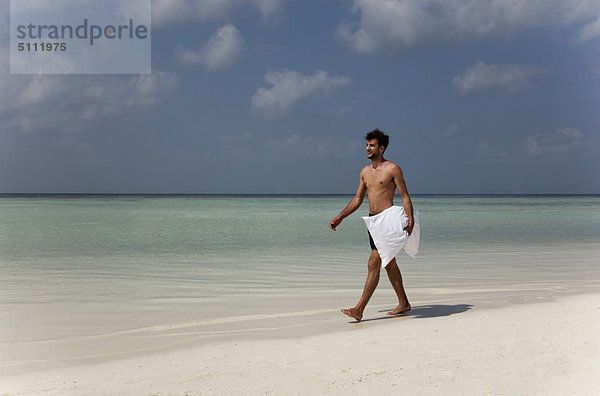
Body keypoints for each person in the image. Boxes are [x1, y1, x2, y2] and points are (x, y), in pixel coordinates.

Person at [329, 129, 415, 321]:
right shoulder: (365, 172)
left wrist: (411, 220)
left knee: (374, 262)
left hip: (388, 221)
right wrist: (340, 216)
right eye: (367, 145)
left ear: (381, 148)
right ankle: (404, 303)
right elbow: (358, 199)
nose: (368, 148)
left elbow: (405, 196)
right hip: (373, 222)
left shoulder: (393, 169)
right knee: (389, 263)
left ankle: (359, 309)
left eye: (372, 145)